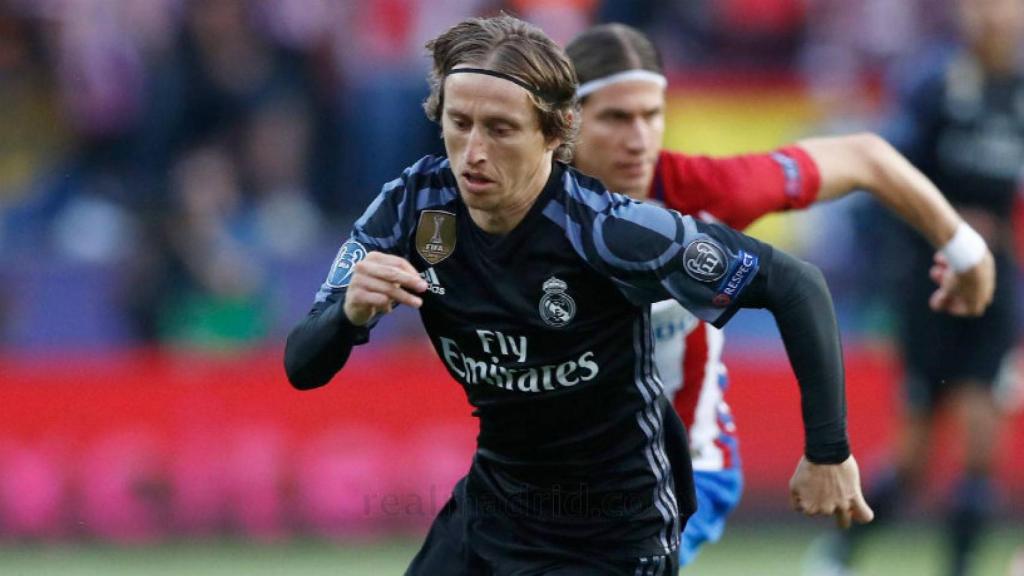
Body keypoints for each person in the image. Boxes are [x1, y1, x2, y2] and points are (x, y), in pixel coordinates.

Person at [285, 14, 873, 575]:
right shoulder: (411, 206)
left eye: (501, 129)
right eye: (459, 123)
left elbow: (795, 284)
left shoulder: (608, 229)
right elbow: (302, 365)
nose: (474, 151)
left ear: (555, 132)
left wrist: (828, 452)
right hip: (495, 505)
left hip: (612, 532)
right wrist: (348, 314)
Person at [563, 23, 997, 568]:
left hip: (681, 469)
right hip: (562, 469)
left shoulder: (702, 192)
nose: (640, 139)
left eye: (652, 115)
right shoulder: (520, 208)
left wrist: (965, 249)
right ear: (566, 121)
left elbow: (864, 156)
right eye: (616, 118)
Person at [812, 1, 1024, 575]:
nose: (997, 18)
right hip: (929, 289)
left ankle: (959, 567)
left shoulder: (1018, 90)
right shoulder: (934, 85)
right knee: (913, 460)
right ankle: (838, 553)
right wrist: (948, 229)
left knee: (982, 449)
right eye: (985, 6)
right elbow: (888, 184)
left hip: (993, 291)